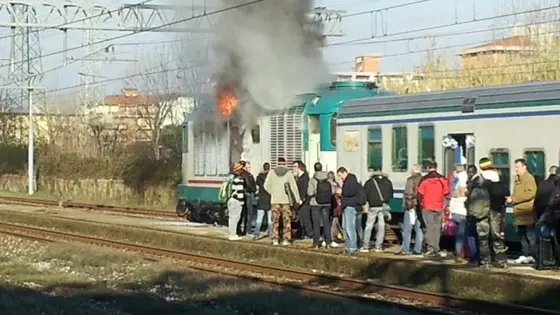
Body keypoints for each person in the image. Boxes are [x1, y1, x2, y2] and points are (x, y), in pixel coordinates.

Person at [467, 157, 508, 268]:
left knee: (483, 238)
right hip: (496, 211)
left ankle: (486, 262)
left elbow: (471, 195)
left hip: (482, 212)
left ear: (481, 167)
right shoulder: (499, 178)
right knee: (497, 237)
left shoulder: (478, 179)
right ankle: (501, 261)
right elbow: (506, 193)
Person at [264, 157, 302, 246]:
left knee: (275, 221)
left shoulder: (272, 172)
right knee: (287, 221)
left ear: (277, 163)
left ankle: (275, 239)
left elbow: (266, 186)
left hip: (274, 200)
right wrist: (297, 199)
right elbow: (293, 187)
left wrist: (272, 192)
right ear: (284, 163)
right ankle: (286, 239)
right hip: (286, 201)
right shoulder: (288, 173)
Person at [508, 158, 537, 265]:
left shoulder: (529, 179)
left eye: (518, 167)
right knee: (522, 236)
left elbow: (530, 193)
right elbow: (515, 192)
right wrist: (511, 197)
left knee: (530, 235)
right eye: (515, 167)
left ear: (524, 167)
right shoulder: (517, 179)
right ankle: (524, 254)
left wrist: (514, 199)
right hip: (519, 213)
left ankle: (532, 255)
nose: (516, 169)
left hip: (527, 212)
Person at [417, 161, 449, 258]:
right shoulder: (442, 179)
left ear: (428, 168)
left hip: (427, 206)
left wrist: (420, 204)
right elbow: (446, 192)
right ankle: (436, 248)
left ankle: (431, 249)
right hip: (439, 206)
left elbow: (419, 194)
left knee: (429, 228)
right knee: (437, 228)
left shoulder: (424, 179)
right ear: (436, 167)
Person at [361, 168, 393, 252]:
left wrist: (366, 202)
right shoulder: (388, 182)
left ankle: (365, 246)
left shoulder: (369, 182)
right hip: (383, 206)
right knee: (381, 226)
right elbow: (391, 194)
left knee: (369, 225)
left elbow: (364, 194)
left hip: (373, 206)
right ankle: (378, 246)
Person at [307, 162, 338, 248]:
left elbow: (310, 193)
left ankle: (316, 243)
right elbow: (332, 191)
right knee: (326, 223)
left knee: (316, 223)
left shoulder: (313, 179)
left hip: (315, 204)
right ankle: (328, 243)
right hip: (327, 203)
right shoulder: (328, 179)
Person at [396, 164, 423, 256]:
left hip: (411, 207)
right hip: (420, 207)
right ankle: (418, 249)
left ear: (413, 171)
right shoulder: (423, 179)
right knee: (419, 229)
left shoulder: (410, 180)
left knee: (407, 229)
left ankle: (406, 249)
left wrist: (409, 207)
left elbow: (408, 194)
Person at [337, 167, 362, 253]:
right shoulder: (348, 181)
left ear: (344, 172)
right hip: (346, 207)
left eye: (340, 175)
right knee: (345, 227)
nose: (340, 178)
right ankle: (347, 245)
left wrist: (341, 192)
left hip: (350, 207)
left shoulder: (351, 180)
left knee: (350, 227)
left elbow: (351, 192)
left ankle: (352, 246)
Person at [449, 164, 469, 263]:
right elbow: (463, 191)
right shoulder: (465, 177)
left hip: (454, 210)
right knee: (463, 234)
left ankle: (459, 252)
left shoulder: (455, 179)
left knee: (459, 234)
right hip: (463, 210)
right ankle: (463, 254)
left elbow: (452, 193)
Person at [227, 162, 246, 241]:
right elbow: (240, 192)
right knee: (235, 218)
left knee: (231, 218)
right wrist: (242, 203)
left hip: (230, 199)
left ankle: (231, 233)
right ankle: (233, 234)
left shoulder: (230, 178)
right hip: (236, 201)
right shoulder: (239, 179)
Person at [293, 161, 312, 239]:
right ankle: (302, 232)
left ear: (299, 167)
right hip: (301, 201)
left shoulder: (304, 177)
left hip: (304, 202)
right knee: (301, 218)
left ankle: (309, 233)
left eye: (295, 166)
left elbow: (304, 190)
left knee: (305, 218)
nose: (293, 168)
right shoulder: (299, 177)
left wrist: (301, 200)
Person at [254, 162, 272, 240]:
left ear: (263, 168)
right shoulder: (271, 177)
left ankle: (256, 234)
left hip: (261, 199)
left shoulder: (259, 177)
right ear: (269, 168)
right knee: (270, 219)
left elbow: (257, 187)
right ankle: (270, 233)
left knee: (259, 219)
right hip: (270, 199)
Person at [238, 161, 256, 236]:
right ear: (244, 167)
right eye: (248, 167)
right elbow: (251, 186)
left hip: (240, 195)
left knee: (241, 213)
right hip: (247, 195)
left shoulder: (239, 175)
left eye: (249, 167)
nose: (249, 169)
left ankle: (239, 229)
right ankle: (248, 230)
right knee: (249, 213)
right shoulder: (248, 175)